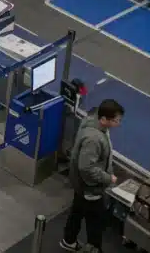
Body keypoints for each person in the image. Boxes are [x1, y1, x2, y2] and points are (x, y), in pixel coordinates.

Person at [60, 98, 123, 252]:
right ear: (104, 119)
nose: (118, 123)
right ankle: (94, 249)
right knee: (95, 222)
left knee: (77, 211)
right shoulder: (94, 139)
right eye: (116, 120)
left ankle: (69, 240)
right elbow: (86, 167)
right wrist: (109, 178)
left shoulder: (93, 123)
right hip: (90, 188)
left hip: (81, 185)